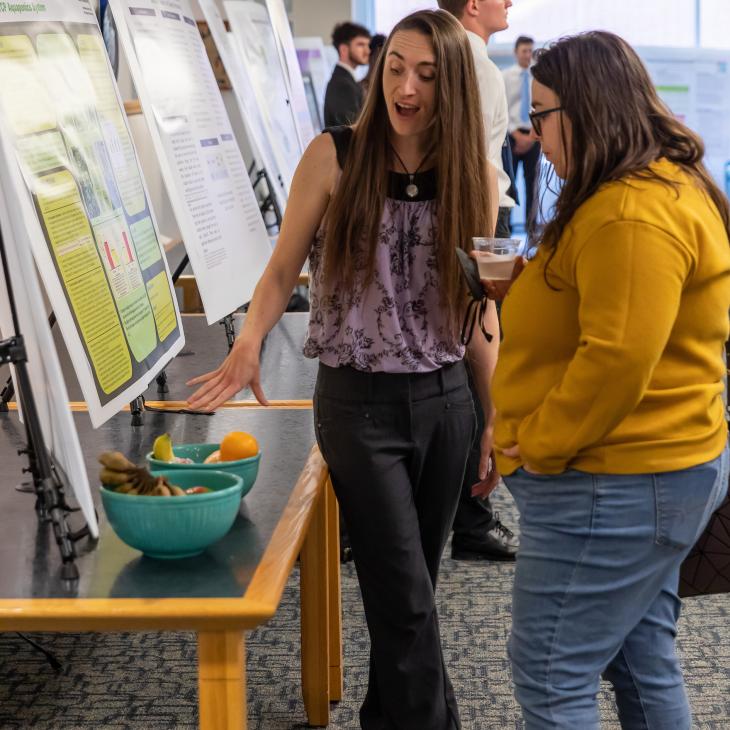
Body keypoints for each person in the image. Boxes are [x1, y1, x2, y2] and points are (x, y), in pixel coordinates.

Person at [187, 10, 500, 729]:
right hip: (357, 406)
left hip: (448, 401)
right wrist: (247, 343)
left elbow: (481, 311)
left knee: (411, 590)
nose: (406, 87)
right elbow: (279, 272)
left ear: (451, 83)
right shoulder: (334, 155)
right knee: (406, 595)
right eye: (395, 68)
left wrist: (496, 414)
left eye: (425, 74)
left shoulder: (475, 176)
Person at [483, 31, 730, 729]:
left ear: (586, 111)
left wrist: (538, 445)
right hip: (644, 475)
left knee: (551, 672)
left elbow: (619, 359)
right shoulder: (650, 186)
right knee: (640, 657)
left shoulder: (631, 211)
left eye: (540, 117)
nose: (533, 135)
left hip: (614, 481)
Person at [438, 0, 519, 561]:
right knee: (476, 362)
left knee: (458, 365)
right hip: (478, 221)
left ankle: (465, 515)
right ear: (472, 5)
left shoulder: (444, 54)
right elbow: (479, 166)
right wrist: (486, 246)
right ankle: (471, 518)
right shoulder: (476, 63)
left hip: (464, 220)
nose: (511, 1)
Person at [503, 35, 541, 231]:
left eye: (531, 51)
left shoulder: (538, 78)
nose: (528, 55)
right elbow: (503, 109)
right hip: (512, 135)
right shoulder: (505, 76)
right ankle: (506, 226)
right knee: (509, 182)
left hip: (534, 134)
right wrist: (517, 135)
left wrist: (531, 137)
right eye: (524, 50)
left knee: (532, 183)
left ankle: (531, 225)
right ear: (516, 52)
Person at [323, 21, 371, 127]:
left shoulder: (345, 81)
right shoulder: (343, 85)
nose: (367, 51)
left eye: (368, 45)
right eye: (361, 45)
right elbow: (350, 132)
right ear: (344, 49)